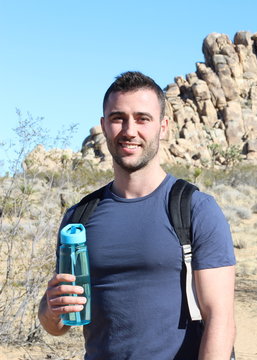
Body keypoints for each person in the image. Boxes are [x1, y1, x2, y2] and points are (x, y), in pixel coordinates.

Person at [38, 71, 236, 360]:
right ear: (104, 126)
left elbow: (220, 318)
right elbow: (57, 326)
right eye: (118, 118)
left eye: (143, 118)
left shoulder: (195, 209)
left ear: (163, 127)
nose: (130, 130)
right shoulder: (79, 218)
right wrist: (50, 308)